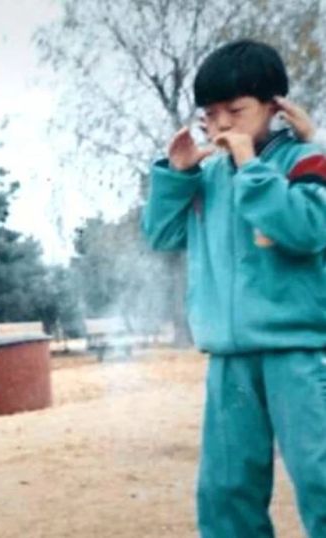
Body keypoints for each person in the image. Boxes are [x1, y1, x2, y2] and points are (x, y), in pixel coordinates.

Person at [142, 39, 326, 537]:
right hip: (228, 357)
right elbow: (161, 234)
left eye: (236, 111)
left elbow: (307, 229)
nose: (221, 124)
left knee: (320, 477)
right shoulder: (209, 175)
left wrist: (253, 168)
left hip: (300, 352)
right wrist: (176, 175)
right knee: (226, 490)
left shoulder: (306, 161)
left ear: (275, 107)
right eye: (210, 113)